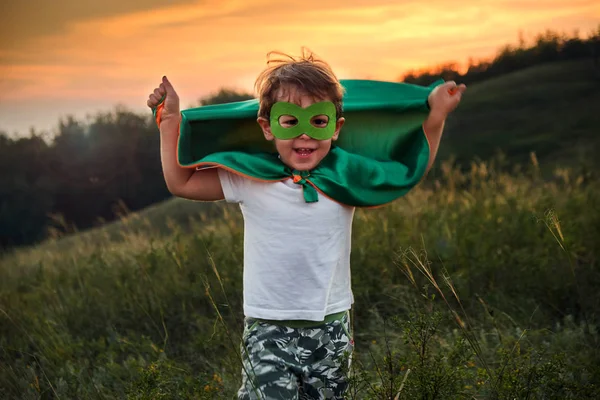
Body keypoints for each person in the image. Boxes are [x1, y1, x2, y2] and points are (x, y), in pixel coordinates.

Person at [147, 49, 466, 400]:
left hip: (331, 328)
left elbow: (407, 171)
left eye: (318, 121)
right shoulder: (251, 177)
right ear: (267, 128)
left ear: (336, 127)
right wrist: (170, 122)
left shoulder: (346, 176)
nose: (305, 136)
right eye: (290, 122)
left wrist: (435, 117)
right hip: (267, 329)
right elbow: (182, 182)